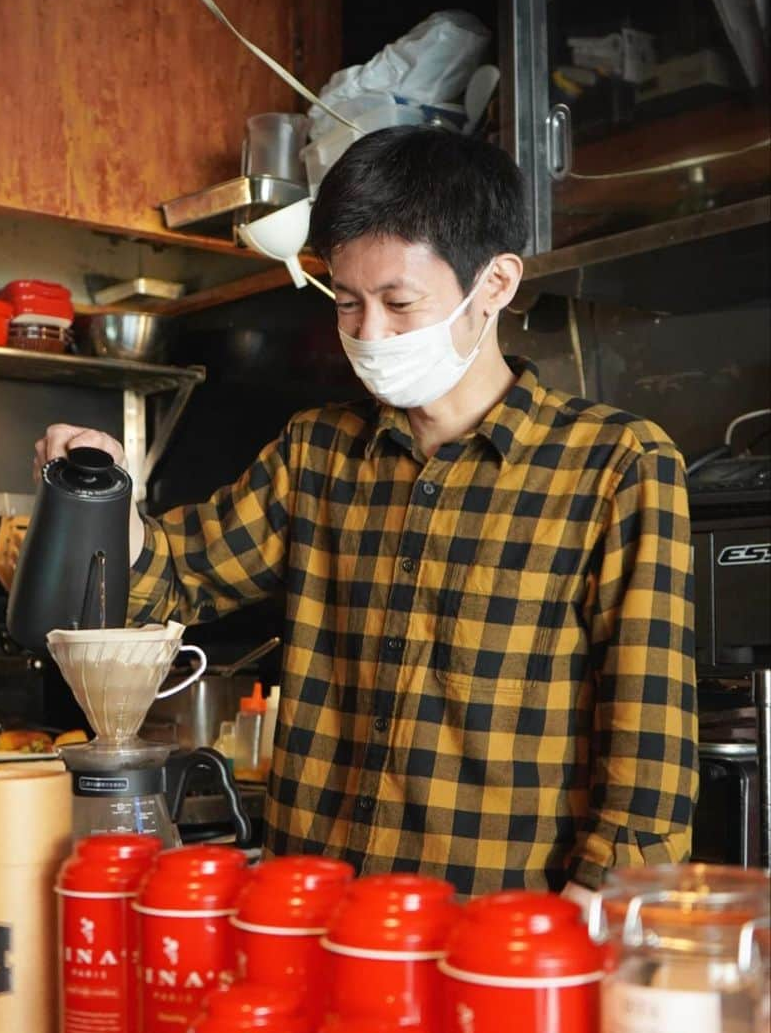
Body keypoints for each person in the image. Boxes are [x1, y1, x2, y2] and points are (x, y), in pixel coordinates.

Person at [36, 126, 698, 898]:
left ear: (496, 284)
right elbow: (168, 581)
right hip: (313, 925)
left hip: (493, 938)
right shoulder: (316, 453)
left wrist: (584, 933)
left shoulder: (616, 465)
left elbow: (648, 762)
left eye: (399, 302)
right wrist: (100, 496)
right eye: (347, 303)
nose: (370, 334)